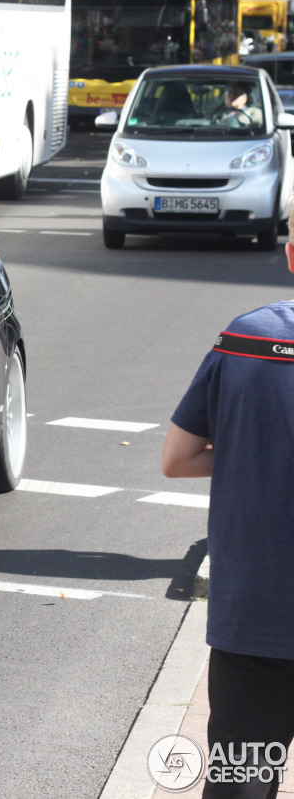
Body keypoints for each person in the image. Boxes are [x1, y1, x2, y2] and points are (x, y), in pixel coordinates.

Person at [162, 239, 294, 799]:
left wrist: (249, 451)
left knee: (241, 782)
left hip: (253, 618)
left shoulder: (246, 338)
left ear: (291, 253)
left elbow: (177, 459)